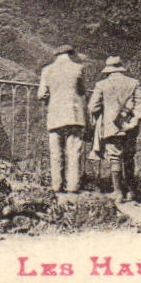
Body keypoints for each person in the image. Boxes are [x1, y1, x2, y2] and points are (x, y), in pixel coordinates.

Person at [89, 55, 141, 203]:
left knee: (115, 158)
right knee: (129, 158)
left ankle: (118, 192)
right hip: (129, 128)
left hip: (111, 127)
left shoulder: (102, 85)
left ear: (108, 71)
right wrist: (133, 121)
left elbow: (92, 107)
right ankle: (131, 192)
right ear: (121, 69)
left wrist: (103, 116)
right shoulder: (134, 83)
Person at [37, 43, 89, 194]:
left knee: (56, 152)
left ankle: (57, 185)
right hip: (74, 115)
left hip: (55, 115)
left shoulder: (47, 70)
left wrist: (50, 96)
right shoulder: (78, 68)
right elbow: (82, 92)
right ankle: (73, 186)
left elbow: (41, 94)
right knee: (74, 151)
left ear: (56, 55)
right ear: (71, 54)